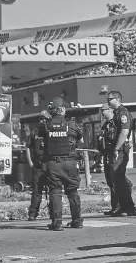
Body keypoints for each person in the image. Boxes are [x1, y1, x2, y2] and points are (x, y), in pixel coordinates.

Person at [39, 97, 84, 231]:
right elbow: (80, 140)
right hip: (70, 162)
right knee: (72, 192)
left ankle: (57, 222)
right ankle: (77, 221)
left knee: (55, 192)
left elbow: (42, 138)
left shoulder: (46, 125)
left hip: (54, 163)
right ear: (63, 110)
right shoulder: (72, 125)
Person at [105, 91, 136, 216]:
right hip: (118, 149)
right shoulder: (117, 113)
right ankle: (124, 207)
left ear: (117, 99)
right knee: (117, 180)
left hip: (121, 150)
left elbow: (124, 132)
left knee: (119, 179)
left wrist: (116, 149)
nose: (108, 101)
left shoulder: (123, 113)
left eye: (110, 99)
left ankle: (129, 208)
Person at [26, 110, 51, 221]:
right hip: (37, 165)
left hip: (49, 164)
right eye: (41, 118)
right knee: (36, 192)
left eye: (45, 118)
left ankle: (54, 213)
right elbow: (28, 146)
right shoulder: (34, 132)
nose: (43, 120)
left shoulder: (51, 131)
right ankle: (33, 213)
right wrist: (30, 162)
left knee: (53, 191)